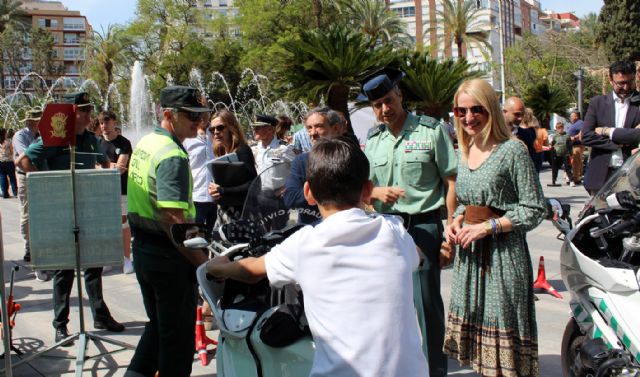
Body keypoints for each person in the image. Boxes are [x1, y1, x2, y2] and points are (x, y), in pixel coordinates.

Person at [206, 137, 429, 376]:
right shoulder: (393, 231)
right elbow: (419, 257)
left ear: (308, 193)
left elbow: (249, 271)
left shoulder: (305, 244)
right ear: (367, 190)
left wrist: (217, 268)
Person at [444, 78, 545, 377]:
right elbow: (468, 200)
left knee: (505, 354)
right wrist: (457, 219)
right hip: (470, 257)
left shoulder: (512, 151)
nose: (468, 117)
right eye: (461, 111)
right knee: (480, 353)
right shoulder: (465, 148)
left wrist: (488, 227)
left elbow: (534, 208)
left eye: (477, 109)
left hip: (502, 258)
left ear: (491, 110)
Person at [362, 68, 457, 377]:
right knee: (387, 305)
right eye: (377, 106)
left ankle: (433, 371)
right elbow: (365, 190)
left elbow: (451, 181)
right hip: (384, 229)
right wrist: (374, 193)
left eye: (388, 101)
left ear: (400, 96)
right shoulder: (373, 139)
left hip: (423, 228)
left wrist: (451, 232)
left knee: (426, 304)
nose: (384, 110)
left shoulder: (430, 131)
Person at [15, 92, 125, 346]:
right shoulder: (54, 138)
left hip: (88, 208)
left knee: (94, 264)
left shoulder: (89, 139)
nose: (88, 116)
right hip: (61, 210)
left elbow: (104, 163)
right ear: (71, 113)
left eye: (89, 111)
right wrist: (46, 186)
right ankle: (60, 325)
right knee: (64, 269)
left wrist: (108, 172)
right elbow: (23, 162)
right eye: (83, 111)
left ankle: (99, 316)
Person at [125, 86, 211, 377]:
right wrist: (203, 263)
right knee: (177, 342)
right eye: (189, 115)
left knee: (158, 328)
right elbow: (173, 218)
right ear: (168, 115)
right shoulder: (172, 154)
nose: (196, 121)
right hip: (168, 257)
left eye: (198, 115)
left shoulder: (147, 142)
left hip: (145, 251)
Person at [582, 60, 640, 194]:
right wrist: (620, 142)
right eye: (621, 83)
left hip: (633, 177)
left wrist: (607, 131)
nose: (626, 87)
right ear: (610, 80)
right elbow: (586, 136)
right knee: (600, 214)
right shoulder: (597, 103)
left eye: (630, 82)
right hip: (601, 177)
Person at [283, 107, 342, 224]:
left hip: (347, 226)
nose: (313, 133)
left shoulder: (350, 156)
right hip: (313, 229)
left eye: (319, 126)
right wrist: (320, 190)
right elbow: (290, 198)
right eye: (309, 128)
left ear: (335, 128)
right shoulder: (301, 161)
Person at [98, 110, 134, 274]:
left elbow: (121, 169)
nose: (104, 126)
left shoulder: (124, 143)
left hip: (121, 189)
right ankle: (108, 258)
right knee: (105, 225)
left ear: (114, 122)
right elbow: (93, 166)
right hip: (102, 191)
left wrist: (103, 167)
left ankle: (126, 259)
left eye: (107, 122)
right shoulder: (97, 143)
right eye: (101, 123)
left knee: (123, 224)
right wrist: (111, 166)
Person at [208, 109, 257, 225]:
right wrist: (214, 190)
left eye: (220, 128)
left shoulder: (242, 150)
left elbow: (253, 184)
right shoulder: (221, 151)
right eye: (212, 129)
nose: (215, 132)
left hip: (241, 213)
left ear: (231, 127)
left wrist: (223, 190)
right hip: (224, 212)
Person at [12, 109, 42, 264]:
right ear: (31, 121)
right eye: (38, 119)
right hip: (26, 176)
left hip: (41, 176)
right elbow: (26, 159)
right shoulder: (21, 136)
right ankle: (29, 248)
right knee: (27, 213)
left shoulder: (43, 134)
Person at [184, 112, 216, 231]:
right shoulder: (187, 139)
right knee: (196, 239)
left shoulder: (215, 134)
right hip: (196, 198)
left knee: (212, 238)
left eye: (205, 112)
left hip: (214, 197)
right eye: (199, 112)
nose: (202, 116)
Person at [548, 122, 573, 186]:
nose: (560, 129)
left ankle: (571, 180)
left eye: (561, 128)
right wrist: (550, 145)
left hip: (565, 154)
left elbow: (570, 145)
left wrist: (571, 154)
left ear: (563, 128)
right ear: (556, 129)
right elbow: (551, 144)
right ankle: (554, 180)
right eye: (558, 128)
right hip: (557, 154)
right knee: (555, 168)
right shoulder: (555, 136)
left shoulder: (567, 136)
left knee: (567, 167)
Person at [567, 110, 584, 185]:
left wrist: (574, 137)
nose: (570, 117)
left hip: (577, 145)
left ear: (576, 116)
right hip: (573, 145)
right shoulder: (574, 124)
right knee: (578, 161)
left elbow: (583, 131)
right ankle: (579, 176)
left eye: (572, 116)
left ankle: (576, 178)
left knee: (576, 162)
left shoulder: (580, 123)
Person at [0, 128, 18, 198]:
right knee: (12, 178)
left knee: (2, 177)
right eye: (6, 132)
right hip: (9, 161)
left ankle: (5, 194)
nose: (7, 133)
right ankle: (15, 193)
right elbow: (11, 152)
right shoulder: (8, 141)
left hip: (0, 162)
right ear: (4, 133)